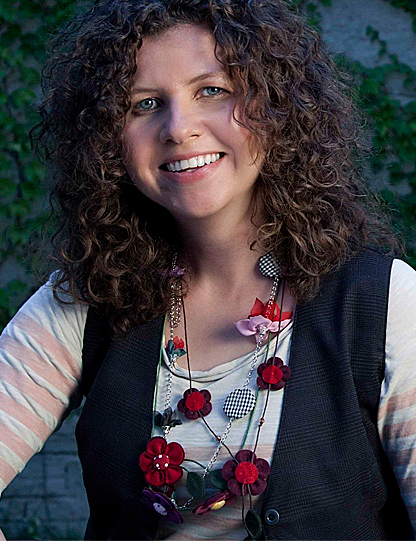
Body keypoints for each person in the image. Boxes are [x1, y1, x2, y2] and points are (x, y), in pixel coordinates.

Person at [1, 0, 416, 539]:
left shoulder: (385, 303)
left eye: (212, 91)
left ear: (275, 106)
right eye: (145, 104)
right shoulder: (86, 299)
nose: (179, 128)